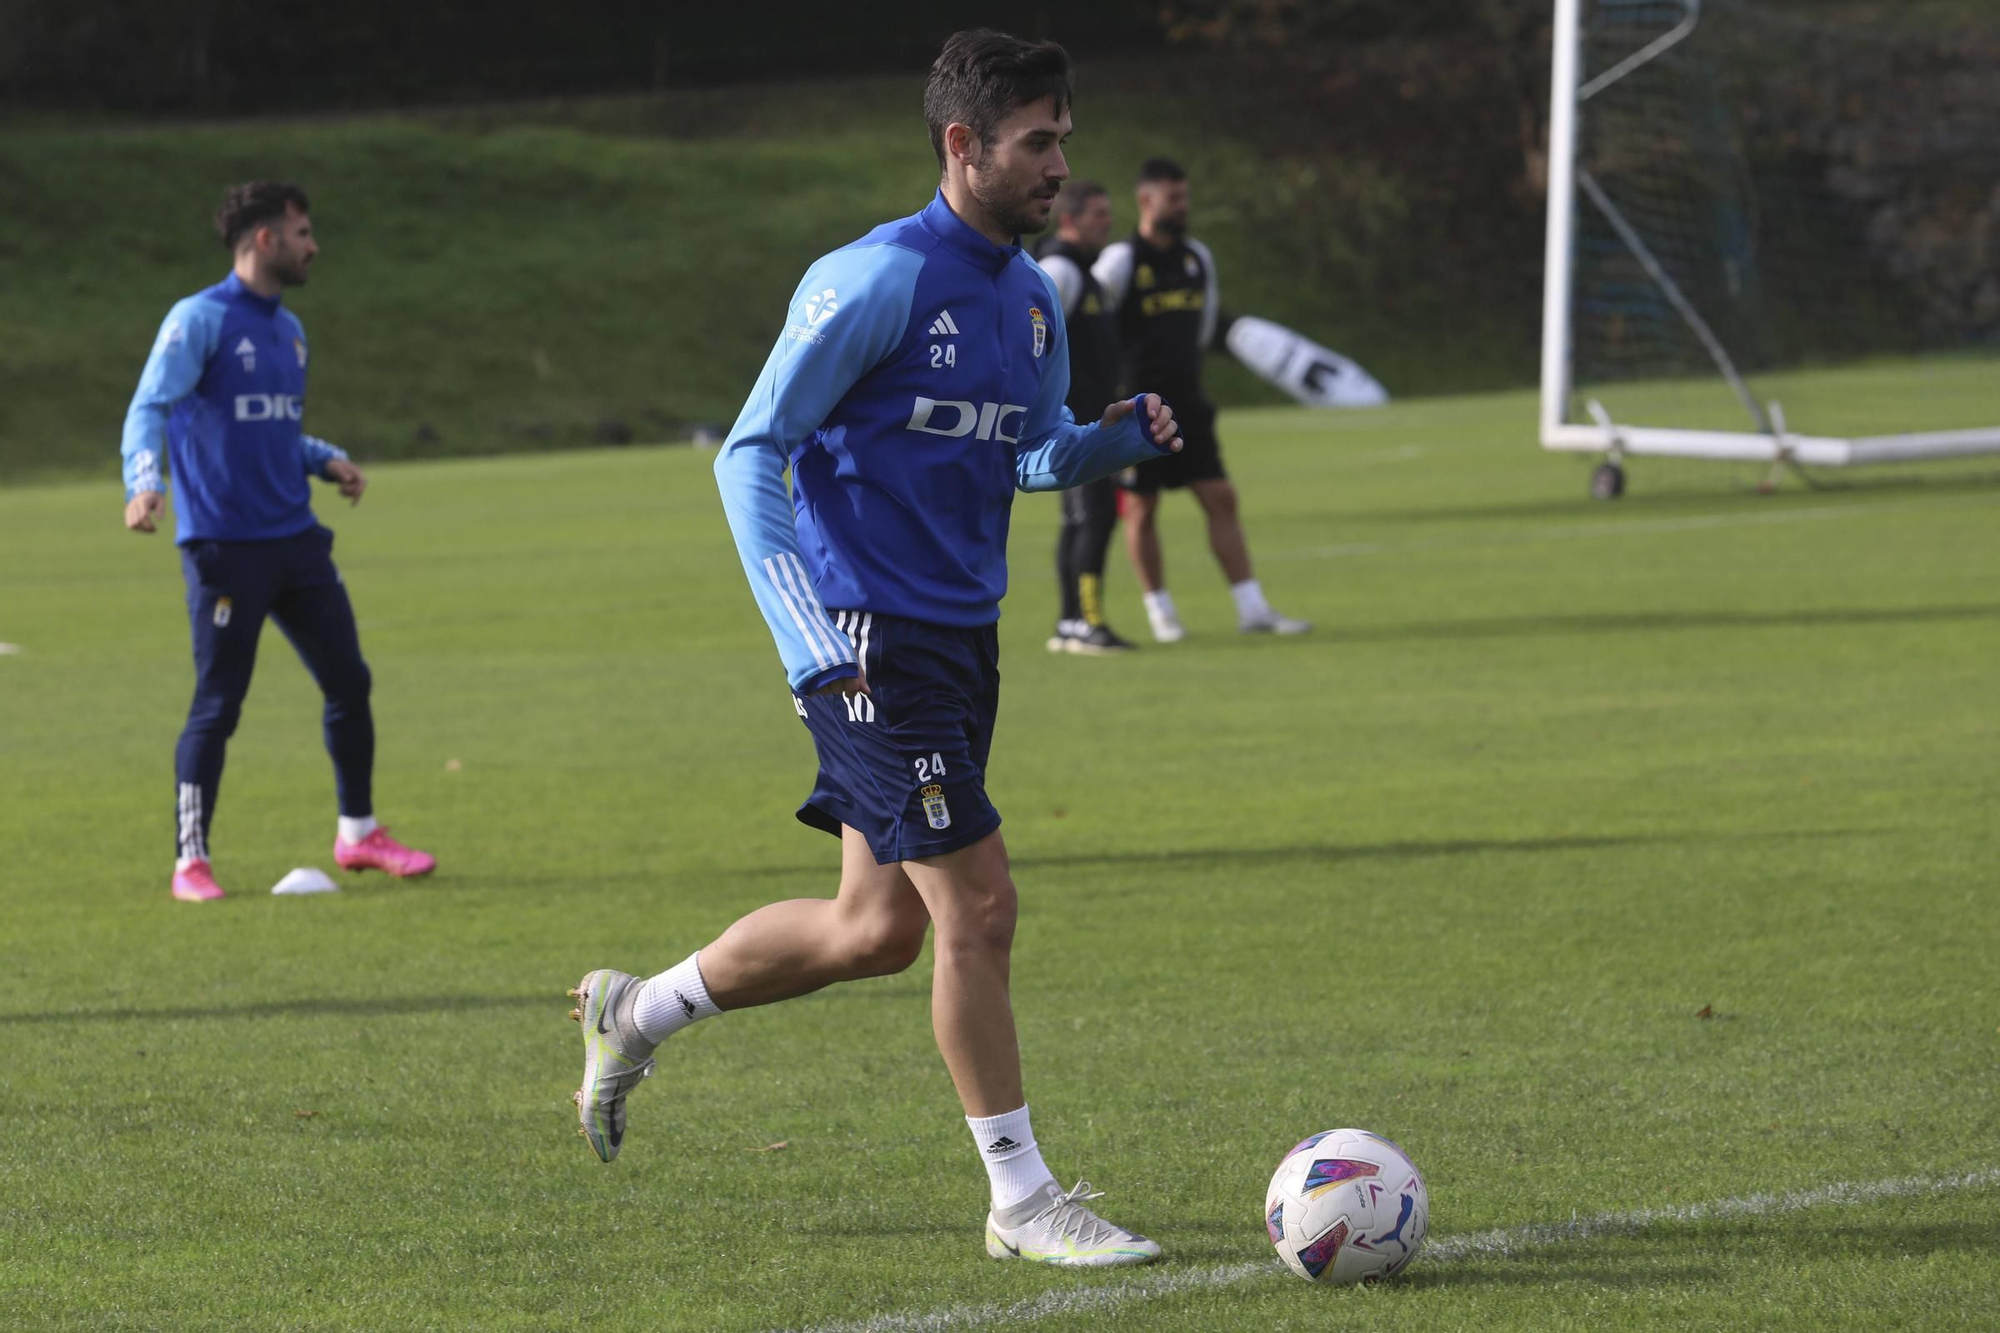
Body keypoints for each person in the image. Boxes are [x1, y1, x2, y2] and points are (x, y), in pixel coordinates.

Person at [567, 30, 1179, 1268]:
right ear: (962, 145)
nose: (1060, 164)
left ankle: (634, 1008)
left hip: (959, 639)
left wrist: (1103, 445)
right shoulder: (870, 278)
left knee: (873, 931)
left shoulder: (1028, 296)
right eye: (1037, 141)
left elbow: (1020, 447)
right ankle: (1019, 1198)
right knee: (981, 908)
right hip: (862, 641)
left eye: (1064, 137)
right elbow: (751, 451)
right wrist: (804, 633)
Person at [120, 181, 436, 903]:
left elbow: (267, 424)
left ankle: (358, 833)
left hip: (297, 542)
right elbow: (150, 407)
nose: (312, 244)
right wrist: (145, 482)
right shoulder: (198, 319)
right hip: (226, 549)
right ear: (265, 239)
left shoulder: (290, 331)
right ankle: (190, 861)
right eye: (302, 232)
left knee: (349, 681)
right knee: (219, 704)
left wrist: (321, 456)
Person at [1093, 157, 1311, 642]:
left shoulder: (1197, 258)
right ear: (1146, 201)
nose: (1183, 206)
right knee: (1143, 507)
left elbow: (1205, 325)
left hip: (1188, 402)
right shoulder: (1121, 262)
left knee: (1219, 496)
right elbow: (1092, 325)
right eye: (1174, 198)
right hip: (1138, 408)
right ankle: (1161, 612)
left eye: (1185, 197)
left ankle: (1252, 608)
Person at [1032, 180, 1136, 655]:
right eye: (1098, 215)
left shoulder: (1086, 272)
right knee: (1090, 519)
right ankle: (1082, 622)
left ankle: (1072, 621)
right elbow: (1034, 341)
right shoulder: (1059, 270)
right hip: (1074, 425)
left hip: (1095, 423)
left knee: (1088, 520)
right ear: (1069, 220)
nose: (1108, 223)